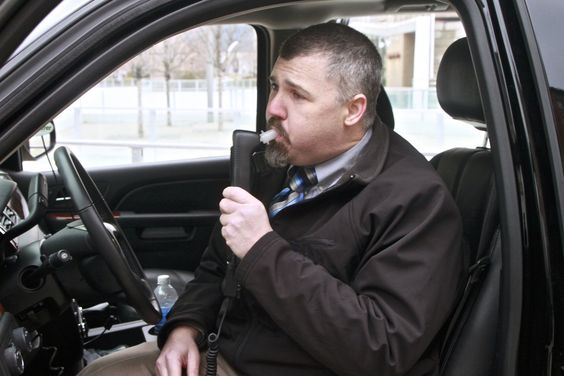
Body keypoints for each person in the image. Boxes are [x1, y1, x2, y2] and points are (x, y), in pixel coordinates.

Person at [80, 22, 463, 376]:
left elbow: (381, 346)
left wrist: (262, 249)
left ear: (353, 110)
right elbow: (218, 265)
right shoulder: (280, 161)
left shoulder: (415, 200)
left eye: (297, 95)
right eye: (275, 86)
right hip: (226, 352)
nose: (274, 108)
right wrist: (186, 327)